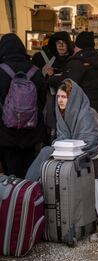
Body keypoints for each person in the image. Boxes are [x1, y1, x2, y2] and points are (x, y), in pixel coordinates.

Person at [26, 79, 98, 181]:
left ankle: (29, 186)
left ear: (73, 99)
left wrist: (64, 150)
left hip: (93, 163)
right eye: (58, 97)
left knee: (47, 154)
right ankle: (32, 187)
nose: (60, 101)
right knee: (47, 153)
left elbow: (90, 145)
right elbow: (62, 138)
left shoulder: (87, 116)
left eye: (64, 97)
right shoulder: (65, 114)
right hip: (78, 159)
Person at [0, 33, 47, 178]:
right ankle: (29, 196)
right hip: (31, 130)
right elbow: (42, 100)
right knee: (29, 167)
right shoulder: (35, 71)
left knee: (11, 171)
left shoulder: (1, 70)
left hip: (6, 130)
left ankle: (14, 197)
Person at [49, 31, 98, 126]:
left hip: (86, 114)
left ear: (79, 47)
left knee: (86, 139)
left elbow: (67, 84)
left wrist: (51, 80)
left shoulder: (79, 61)